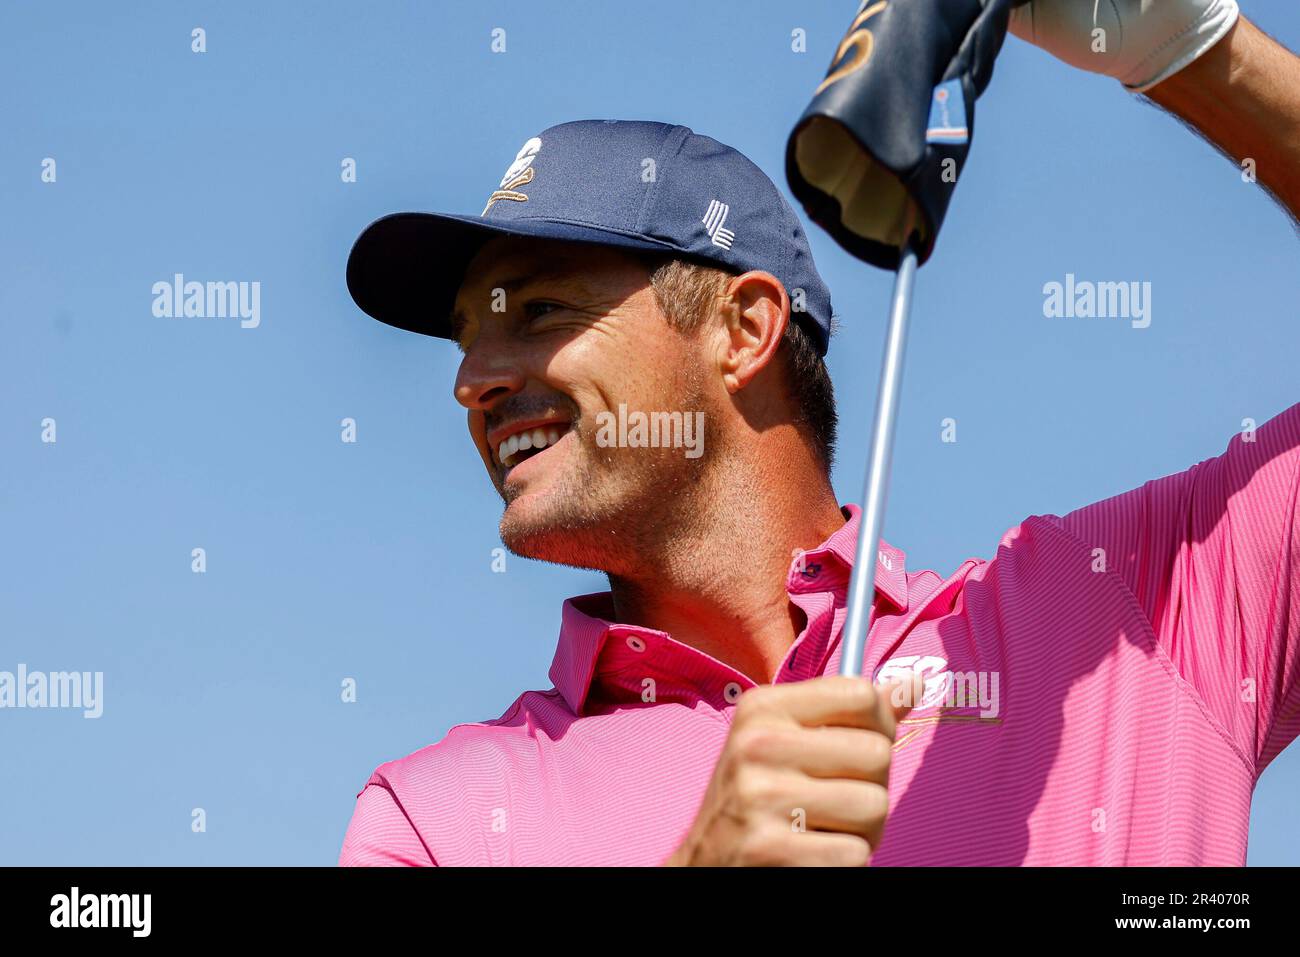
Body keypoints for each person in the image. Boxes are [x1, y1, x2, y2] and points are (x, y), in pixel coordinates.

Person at [339, 0, 1300, 865]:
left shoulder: (1123, 615)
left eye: (540, 310)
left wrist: (1195, 49)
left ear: (744, 329)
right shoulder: (436, 821)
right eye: (468, 339)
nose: (473, 381)